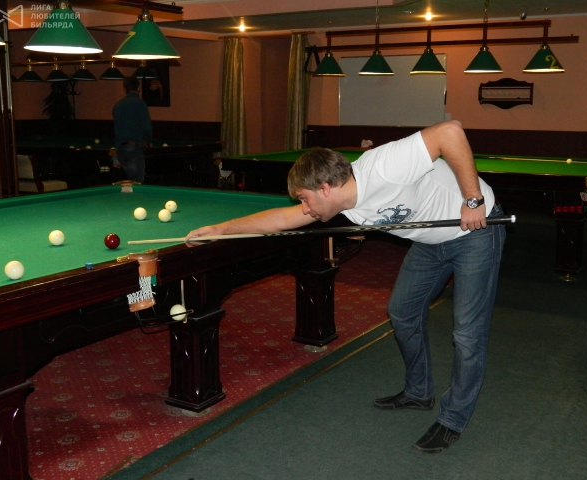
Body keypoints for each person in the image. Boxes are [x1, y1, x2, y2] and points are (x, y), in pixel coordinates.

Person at [186, 120, 506, 454]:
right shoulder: (341, 200)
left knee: (467, 334)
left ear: (325, 187)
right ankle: (418, 392)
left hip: (475, 233)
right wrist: (221, 230)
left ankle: (453, 418)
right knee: (402, 312)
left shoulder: (385, 167)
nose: (305, 208)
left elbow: (450, 131)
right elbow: (282, 220)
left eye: (304, 199)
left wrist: (472, 199)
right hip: (429, 242)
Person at [112, 76, 153, 183]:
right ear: (138, 88)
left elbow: (117, 128)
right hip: (133, 148)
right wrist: (149, 142)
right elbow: (147, 127)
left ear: (124, 89)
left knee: (127, 184)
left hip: (120, 150)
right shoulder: (140, 103)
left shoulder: (117, 105)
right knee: (137, 184)